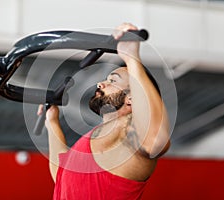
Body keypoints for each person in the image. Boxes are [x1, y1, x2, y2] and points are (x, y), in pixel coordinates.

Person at [38, 23, 170, 200]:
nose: (101, 84)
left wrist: (132, 59)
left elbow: (155, 140)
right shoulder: (95, 137)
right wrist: (52, 121)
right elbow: (62, 175)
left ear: (132, 98)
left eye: (113, 81)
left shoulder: (127, 131)